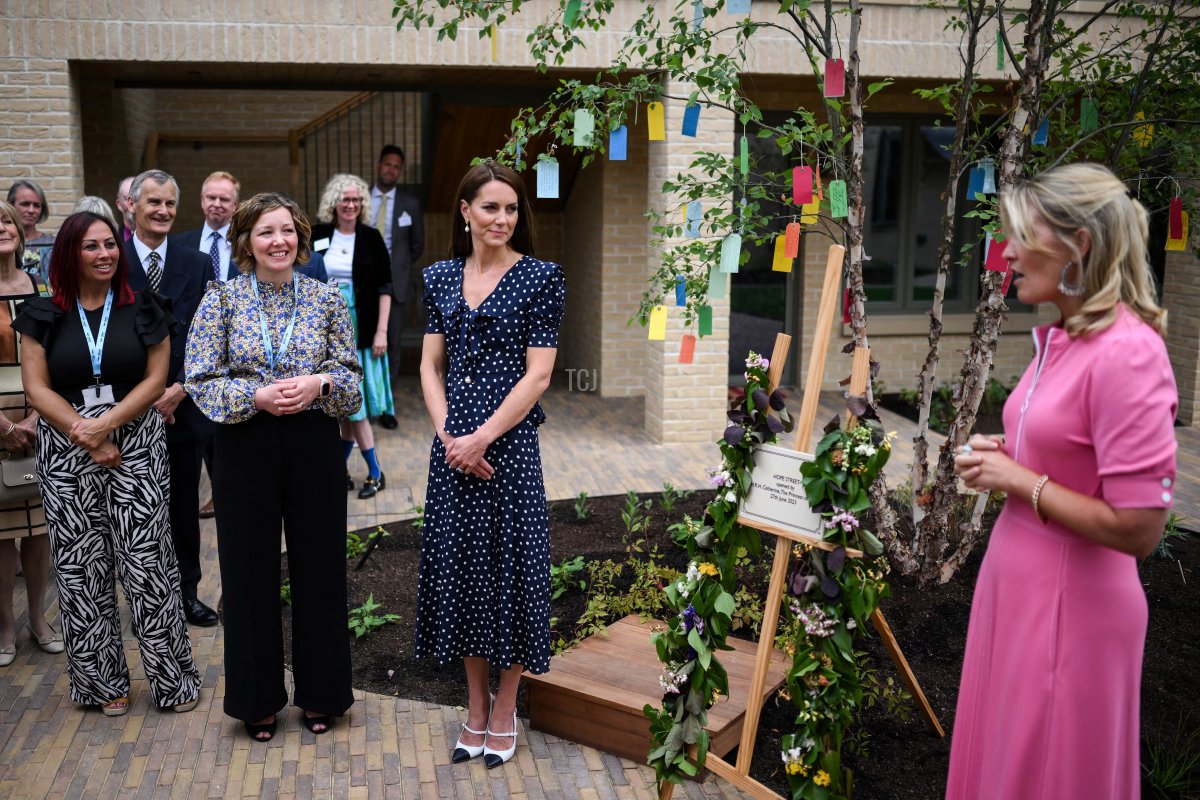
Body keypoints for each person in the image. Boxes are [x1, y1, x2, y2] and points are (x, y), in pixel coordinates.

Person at [948, 162, 1177, 800]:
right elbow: (1068, 453)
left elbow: (1140, 528)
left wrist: (1021, 480)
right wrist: (1004, 455)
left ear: (1078, 245)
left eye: (1023, 236)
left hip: (1070, 609)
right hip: (1020, 595)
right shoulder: (1068, 340)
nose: (1009, 252)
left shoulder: (1127, 352)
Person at [184, 192, 361, 742]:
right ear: (246, 243)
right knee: (248, 573)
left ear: (301, 239)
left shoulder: (327, 298)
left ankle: (322, 695)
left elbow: (352, 377)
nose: (278, 241)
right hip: (245, 445)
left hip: (313, 444)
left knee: (321, 569)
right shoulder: (221, 300)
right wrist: (254, 397)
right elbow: (199, 379)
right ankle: (256, 699)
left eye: (287, 231)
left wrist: (320, 383)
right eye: (265, 233)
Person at [12, 211, 200, 716]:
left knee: (149, 564)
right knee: (80, 569)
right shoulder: (40, 312)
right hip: (66, 448)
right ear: (70, 253)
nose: (104, 254)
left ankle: (172, 681)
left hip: (136, 443)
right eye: (91, 246)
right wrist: (86, 433)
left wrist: (107, 424)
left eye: (109, 245)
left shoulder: (144, 307)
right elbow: (36, 387)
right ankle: (102, 685)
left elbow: (157, 378)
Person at [417, 161, 564, 769]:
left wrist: (482, 437)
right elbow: (429, 366)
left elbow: (541, 372)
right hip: (452, 450)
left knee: (513, 575)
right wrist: (452, 437)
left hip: (507, 449)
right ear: (466, 211)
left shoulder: (540, 278)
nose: (502, 219)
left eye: (511, 209)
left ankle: (506, 709)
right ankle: (474, 707)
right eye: (491, 208)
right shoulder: (440, 277)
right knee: (464, 576)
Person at [122, 170, 217, 628]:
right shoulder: (113, 260)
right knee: (133, 510)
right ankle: (142, 599)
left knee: (182, 507)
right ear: (131, 206)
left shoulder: (196, 263)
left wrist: (179, 388)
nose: (162, 211)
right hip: (127, 411)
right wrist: (141, 399)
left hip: (183, 408)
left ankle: (186, 594)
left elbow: (208, 336)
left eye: (169, 205)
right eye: (153, 203)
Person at [0, 199, 60, 667]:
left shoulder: (41, 286)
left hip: (40, 413)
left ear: (20, 231)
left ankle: (38, 619)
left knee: (38, 528)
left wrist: (37, 417)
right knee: (1, 532)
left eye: (5, 221)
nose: (2, 229)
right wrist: (3, 426)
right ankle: (5, 624)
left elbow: (57, 357)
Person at [312, 174, 393, 499]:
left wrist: (382, 332)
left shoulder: (372, 238)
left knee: (355, 405)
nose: (350, 205)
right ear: (334, 202)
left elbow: (385, 288)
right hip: (326, 330)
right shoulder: (318, 235)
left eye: (356, 200)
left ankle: (374, 471)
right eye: (345, 199)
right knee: (344, 408)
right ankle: (340, 470)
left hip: (363, 329)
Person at [173, 170, 241, 521]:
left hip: (236, 358)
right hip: (191, 356)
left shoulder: (246, 246)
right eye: (211, 197)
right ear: (201, 201)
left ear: (235, 204)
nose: (216, 204)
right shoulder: (181, 245)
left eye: (224, 199)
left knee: (223, 438)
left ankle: (225, 495)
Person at [369, 144, 425, 427]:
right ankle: (364, 404)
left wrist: (397, 267)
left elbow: (417, 246)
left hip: (396, 285)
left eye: (396, 166)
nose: (391, 170)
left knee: (391, 347)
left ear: (399, 172)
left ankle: (386, 408)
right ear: (379, 165)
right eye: (387, 164)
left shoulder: (410, 204)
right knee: (362, 345)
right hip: (364, 286)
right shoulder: (363, 199)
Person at [7, 180, 54, 286]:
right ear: (11, 205)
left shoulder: (53, 244)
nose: (31, 210)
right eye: (25, 204)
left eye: (37, 205)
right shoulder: (4, 243)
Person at [114, 177, 135, 242]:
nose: (133, 204)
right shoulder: (114, 241)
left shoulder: (160, 237)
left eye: (137, 198)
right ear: (119, 205)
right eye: (127, 199)